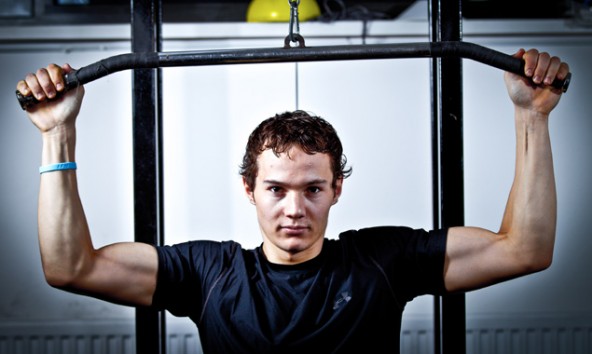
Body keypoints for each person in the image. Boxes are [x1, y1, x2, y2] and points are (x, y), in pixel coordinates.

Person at [16, 47, 569, 353]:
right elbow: (70, 267)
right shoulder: (211, 273)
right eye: (276, 189)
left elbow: (525, 249)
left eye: (313, 190)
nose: (294, 208)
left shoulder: (381, 262)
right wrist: (56, 133)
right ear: (250, 190)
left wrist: (532, 115)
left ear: (337, 191)